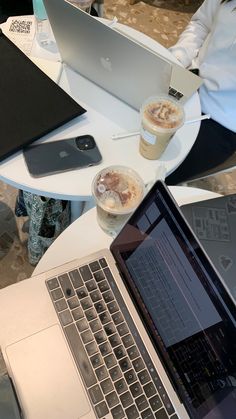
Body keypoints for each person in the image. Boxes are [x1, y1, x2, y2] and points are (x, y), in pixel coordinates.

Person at [166, 0, 236, 185]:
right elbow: (202, 23)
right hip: (192, 77)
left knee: (155, 173)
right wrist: (178, 58)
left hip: (223, 121)